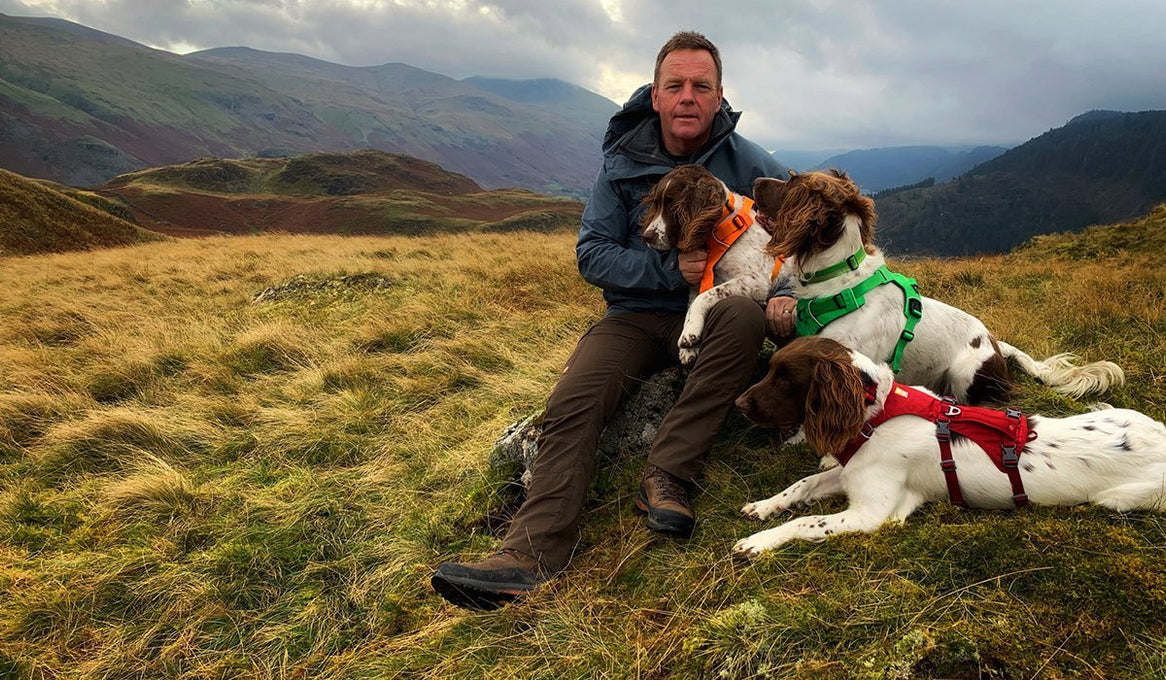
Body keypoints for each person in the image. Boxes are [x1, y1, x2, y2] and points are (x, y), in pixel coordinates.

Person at [431, 31, 797, 610]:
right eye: (674, 85)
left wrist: (789, 293)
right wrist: (669, 273)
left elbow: (800, 237)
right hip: (634, 316)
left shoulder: (752, 165)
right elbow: (592, 252)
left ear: (720, 95)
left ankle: (669, 477)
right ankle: (528, 554)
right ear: (654, 95)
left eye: (701, 86)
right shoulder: (622, 162)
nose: (687, 97)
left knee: (743, 316)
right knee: (577, 397)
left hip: (721, 314)